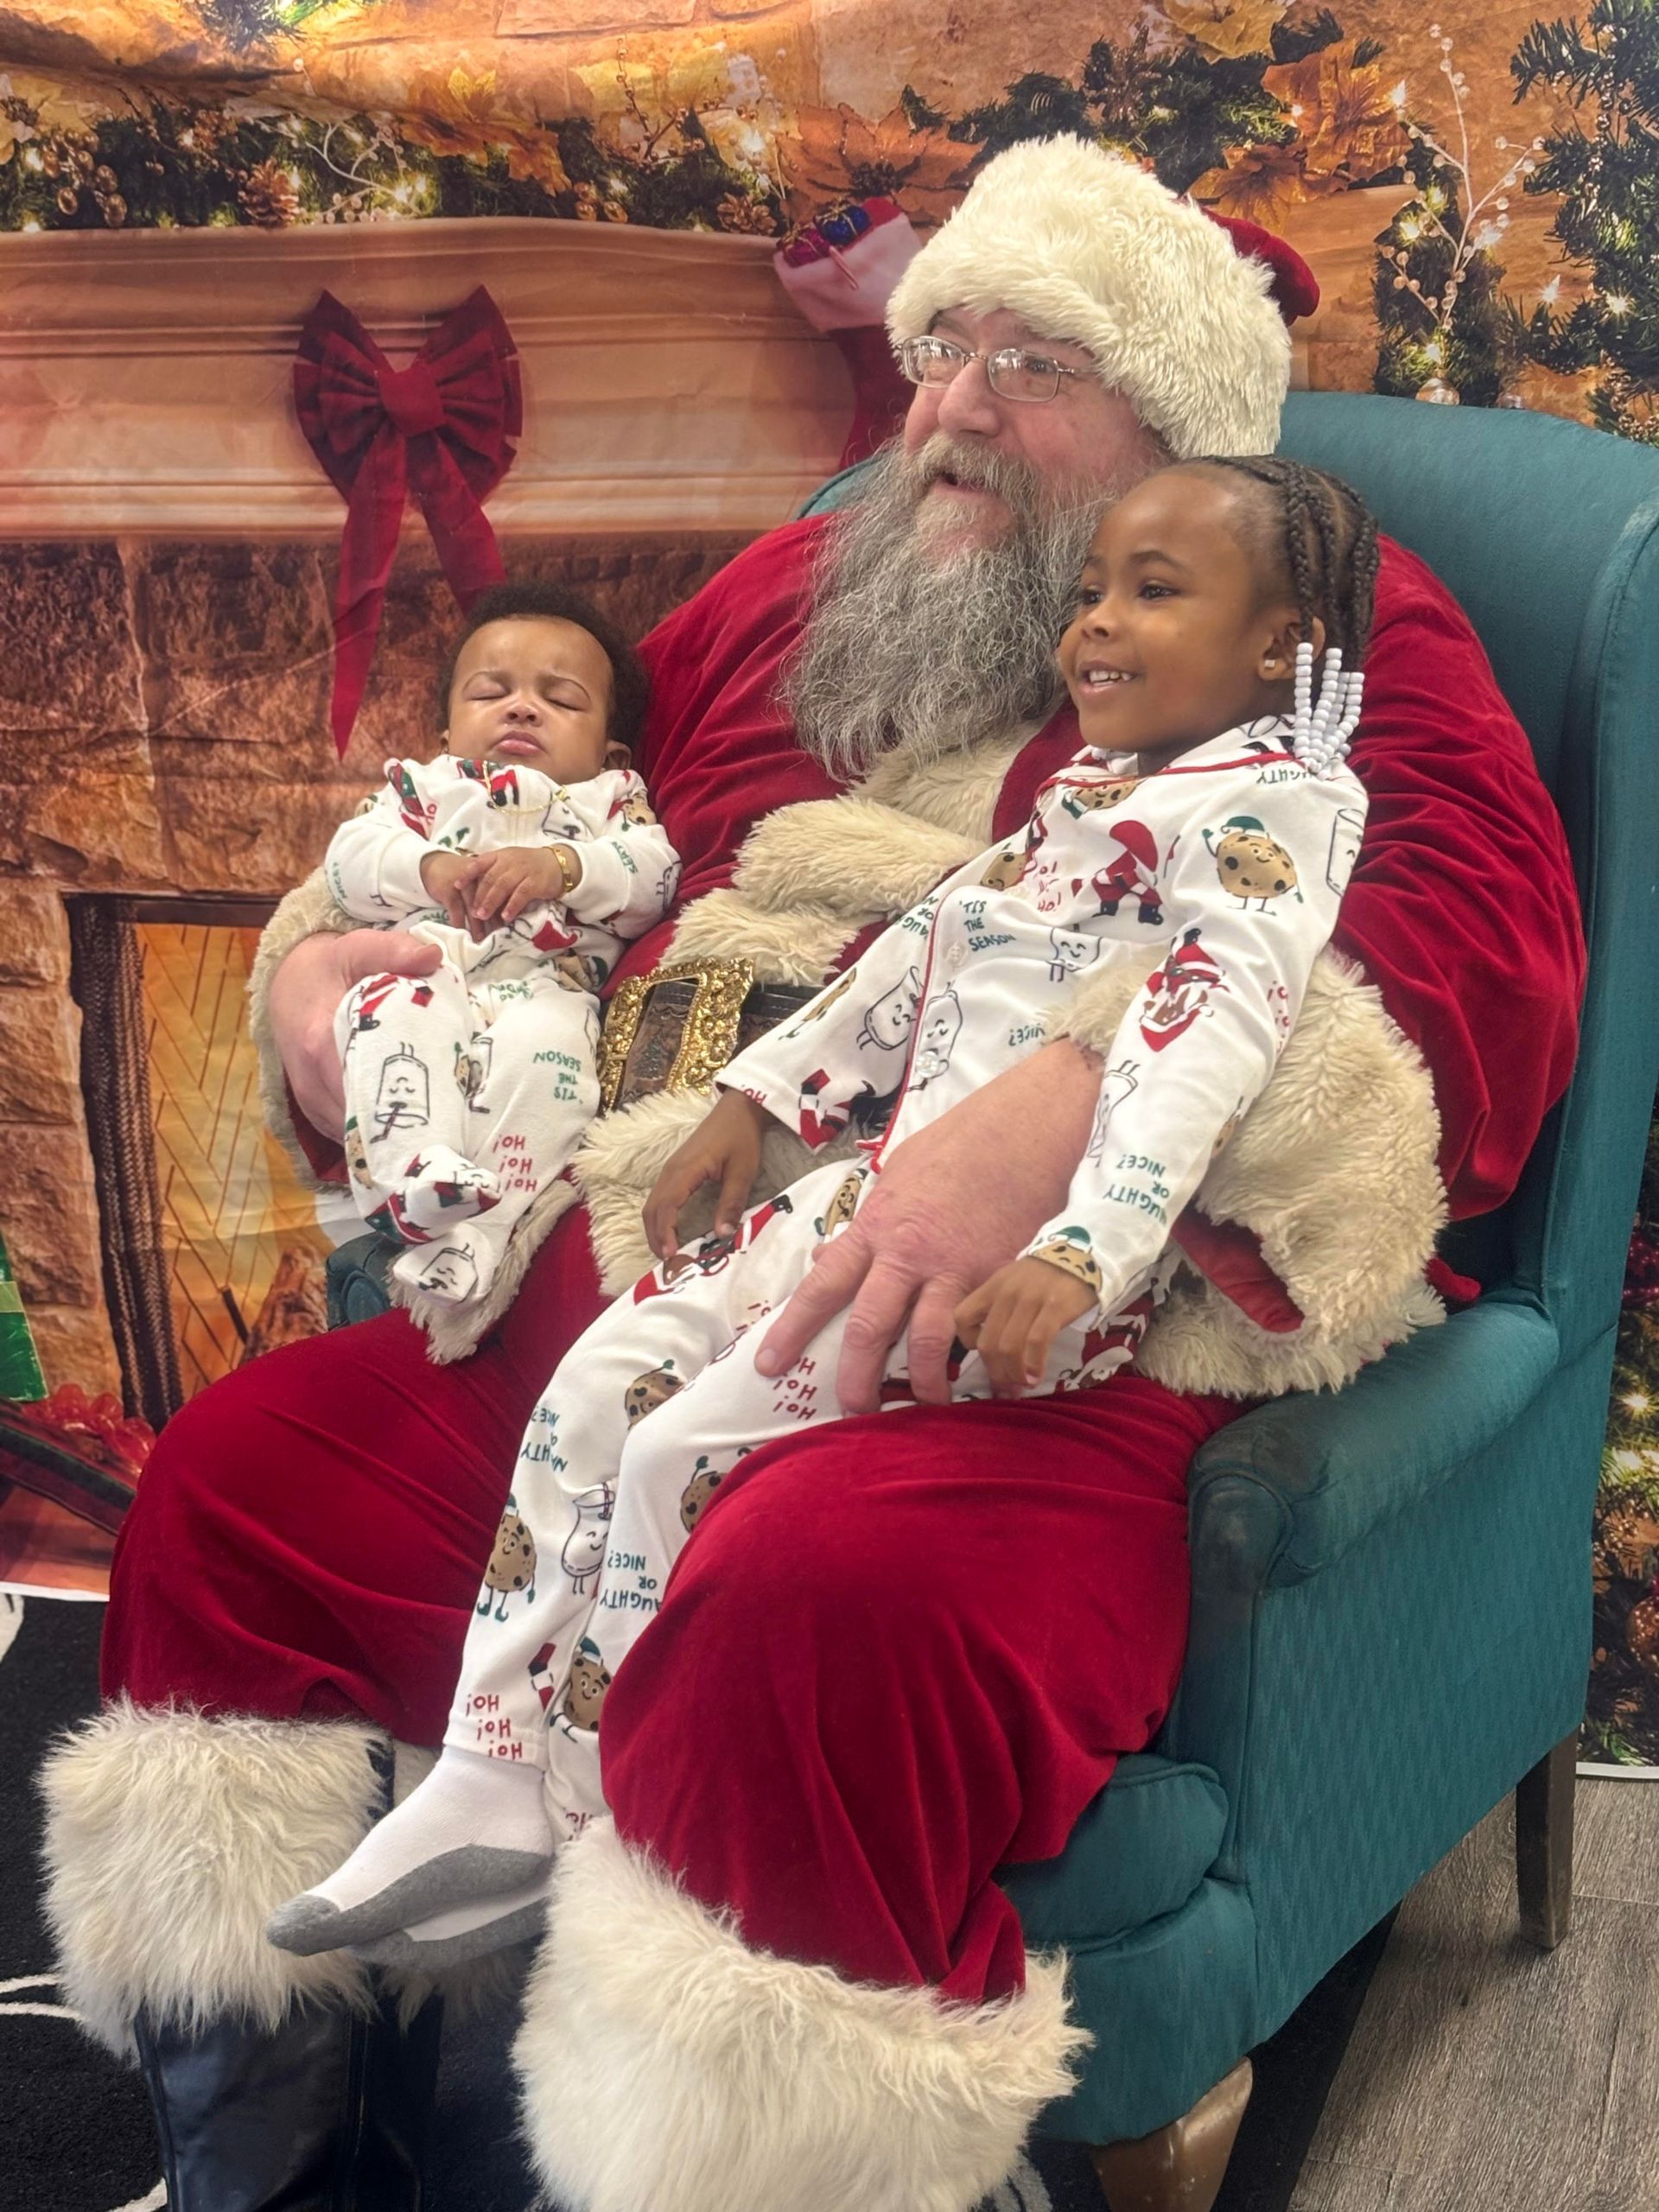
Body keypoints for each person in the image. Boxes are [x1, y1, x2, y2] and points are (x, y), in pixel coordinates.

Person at [41, 137, 1584, 2212]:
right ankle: (286, 2151)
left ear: (1175, 432)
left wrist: (1042, 1111)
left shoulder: (1317, 639)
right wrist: (334, 944)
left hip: (1049, 1345)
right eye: (936, 346)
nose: (942, 412)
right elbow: (549, 793)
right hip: (675, 1238)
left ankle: (729, 2159)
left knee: (813, 1609)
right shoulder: (812, 582)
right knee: (253, 1474)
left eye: (1024, 362)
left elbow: (1475, 979)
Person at [265, 453, 1377, 1970]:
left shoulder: (1275, 815)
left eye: (1154, 591)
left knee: (668, 1458)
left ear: (1280, 642)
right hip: (869, 1197)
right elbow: (921, 957)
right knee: (597, 1393)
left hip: (1005, 1269)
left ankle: (592, 1825)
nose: (1097, 623)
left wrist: (1083, 1245)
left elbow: (1204, 1033)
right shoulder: (1098, 790)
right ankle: (481, 1770)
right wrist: (758, 1100)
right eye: (1092, 589)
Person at [320, 583, 678, 1316]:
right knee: (388, 1018)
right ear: (447, 734)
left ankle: (480, 1237)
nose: (521, 707)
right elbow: (348, 861)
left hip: (549, 990)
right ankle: (408, 1177)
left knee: (551, 1072)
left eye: (562, 699)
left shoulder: (612, 801)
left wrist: (567, 868)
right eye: (491, 691)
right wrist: (423, 867)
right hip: (430, 969)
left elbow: (656, 875)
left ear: (610, 749)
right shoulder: (422, 790)